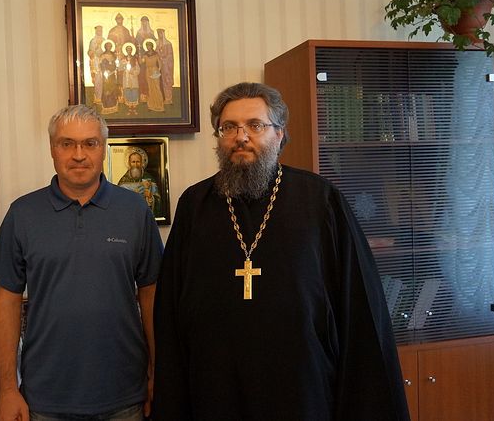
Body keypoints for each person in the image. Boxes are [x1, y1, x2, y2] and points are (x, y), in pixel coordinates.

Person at [152, 82, 410, 420]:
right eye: (229, 127)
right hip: (214, 389)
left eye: (255, 125)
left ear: (279, 133)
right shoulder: (195, 205)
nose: (241, 137)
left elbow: (359, 307)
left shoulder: (320, 200)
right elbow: (170, 312)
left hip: (303, 387)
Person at [0, 105, 163, 421]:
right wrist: (8, 389)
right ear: (52, 149)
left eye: (89, 144)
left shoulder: (135, 210)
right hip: (45, 398)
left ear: (103, 148)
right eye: (67, 143)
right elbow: (7, 301)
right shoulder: (22, 214)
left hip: (124, 395)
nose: (79, 155)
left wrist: (157, 373)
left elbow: (151, 295)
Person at [118, 147, 162, 217]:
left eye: (138, 161)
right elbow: (118, 199)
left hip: (144, 214)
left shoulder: (149, 178)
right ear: (129, 163)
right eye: (133, 162)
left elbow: (158, 199)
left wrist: (151, 198)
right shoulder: (123, 180)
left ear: (142, 163)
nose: (135, 165)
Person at [141, 39, 164, 112]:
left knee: (157, 87)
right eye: (147, 46)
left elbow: (160, 63)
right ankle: (151, 106)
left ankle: (160, 106)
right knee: (150, 88)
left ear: (152, 46)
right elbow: (142, 62)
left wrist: (158, 71)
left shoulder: (156, 54)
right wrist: (140, 57)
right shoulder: (145, 54)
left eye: (149, 46)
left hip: (155, 70)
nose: (148, 47)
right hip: (148, 71)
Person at [156, 28, 174, 104]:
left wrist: (163, 58)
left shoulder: (168, 44)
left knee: (167, 81)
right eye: (158, 33)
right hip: (159, 66)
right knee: (160, 82)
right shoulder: (157, 43)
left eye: (160, 33)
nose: (159, 35)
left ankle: (168, 98)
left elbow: (170, 56)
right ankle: (162, 98)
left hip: (166, 66)